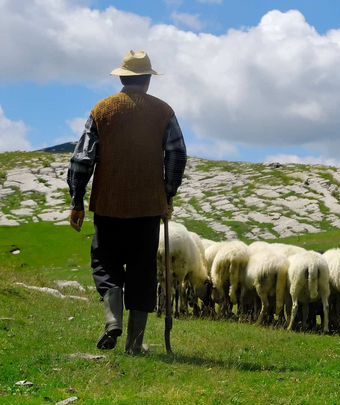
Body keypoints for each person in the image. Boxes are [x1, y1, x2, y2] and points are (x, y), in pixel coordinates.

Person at [66, 50, 187, 354]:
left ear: (121, 77)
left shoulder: (102, 110)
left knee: (105, 264)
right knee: (142, 270)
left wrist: (77, 201)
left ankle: (112, 321)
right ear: (147, 80)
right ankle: (135, 343)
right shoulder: (163, 112)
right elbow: (177, 154)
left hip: (108, 205)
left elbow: (82, 158)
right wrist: (167, 194)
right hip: (147, 207)